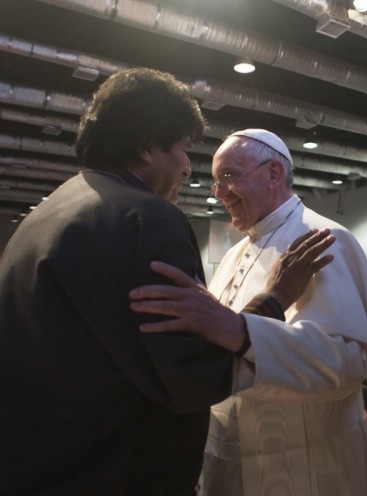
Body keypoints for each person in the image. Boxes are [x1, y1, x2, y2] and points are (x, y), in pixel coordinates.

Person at [0, 68, 332, 495]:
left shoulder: (47, 213)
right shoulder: (144, 219)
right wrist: (274, 298)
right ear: (146, 145)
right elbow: (192, 374)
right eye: (183, 148)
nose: (187, 168)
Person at [130, 129, 367, 495]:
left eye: (228, 176)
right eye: (215, 182)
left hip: (308, 464)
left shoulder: (324, 239)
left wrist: (242, 332)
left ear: (273, 173)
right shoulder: (233, 254)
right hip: (227, 458)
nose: (219, 192)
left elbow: (347, 364)